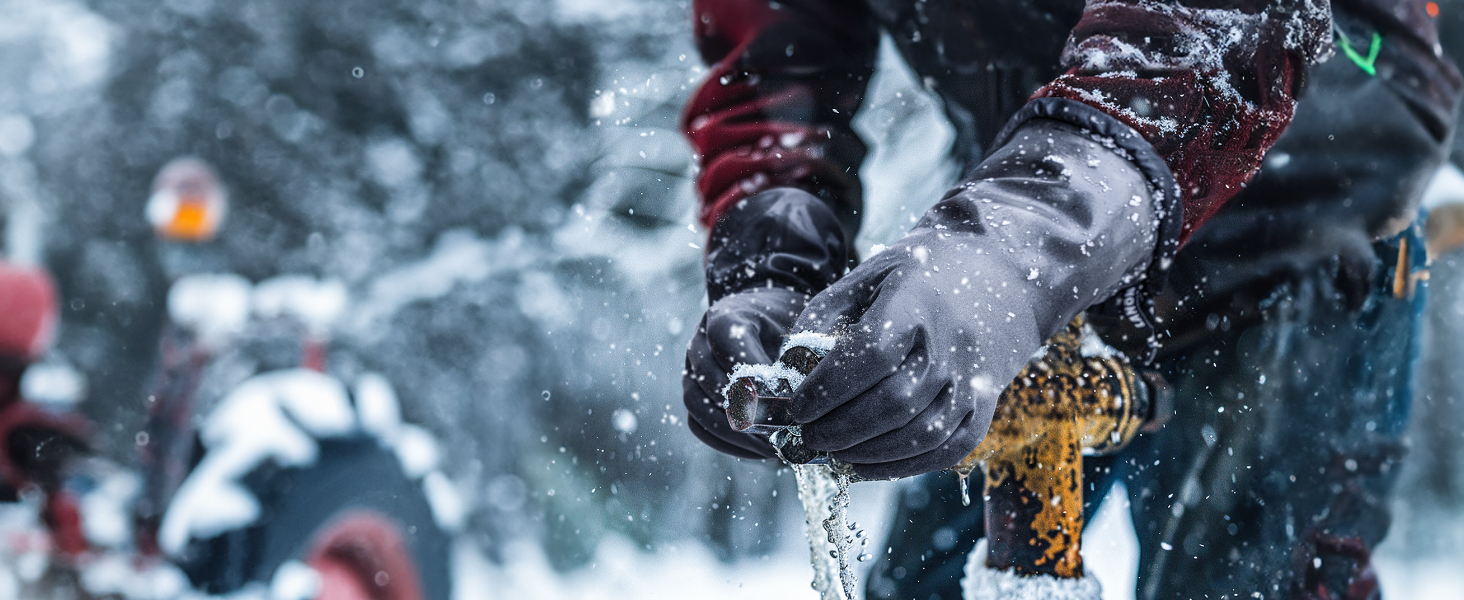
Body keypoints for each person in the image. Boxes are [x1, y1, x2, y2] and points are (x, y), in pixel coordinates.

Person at [678, 1, 1462, 598]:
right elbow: (776, 52)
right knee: (925, 585)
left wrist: (1009, 253)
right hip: (1019, 225)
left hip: (1296, 221)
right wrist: (773, 255)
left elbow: (1211, 33)